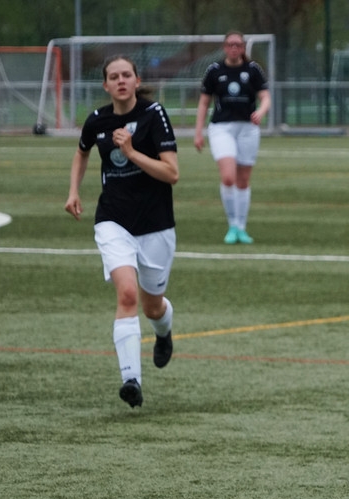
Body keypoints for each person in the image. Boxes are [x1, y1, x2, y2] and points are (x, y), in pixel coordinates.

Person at [65, 56, 179, 409]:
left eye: (126, 75)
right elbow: (82, 152)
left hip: (156, 223)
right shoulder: (97, 120)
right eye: (113, 77)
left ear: (136, 80)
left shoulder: (154, 114)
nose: (120, 81)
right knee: (127, 294)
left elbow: (172, 173)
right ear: (105, 85)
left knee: (152, 306)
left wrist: (130, 151)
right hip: (113, 219)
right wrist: (73, 191)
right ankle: (131, 380)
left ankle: (164, 333)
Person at [193, 31, 271, 245]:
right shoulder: (214, 70)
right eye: (230, 44)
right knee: (228, 177)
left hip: (248, 129)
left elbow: (265, 97)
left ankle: (241, 228)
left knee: (243, 179)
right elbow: (204, 103)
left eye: (238, 44)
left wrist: (261, 111)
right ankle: (232, 225)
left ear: (243, 47)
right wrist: (198, 132)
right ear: (224, 47)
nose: (234, 48)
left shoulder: (252, 69)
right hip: (221, 128)